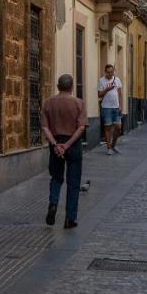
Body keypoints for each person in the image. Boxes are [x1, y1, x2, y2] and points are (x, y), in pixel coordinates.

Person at [41, 74, 85, 229]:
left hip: (55, 144)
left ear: (58, 86)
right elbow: (81, 127)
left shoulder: (48, 103)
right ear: (72, 87)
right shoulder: (78, 103)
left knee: (56, 177)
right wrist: (67, 145)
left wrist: (55, 144)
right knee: (73, 182)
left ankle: (53, 203)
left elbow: (45, 127)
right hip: (72, 144)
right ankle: (70, 219)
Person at [96, 64, 123, 155]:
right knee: (107, 127)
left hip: (116, 107)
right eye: (108, 72)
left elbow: (120, 94)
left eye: (112, 72)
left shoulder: (117, 80)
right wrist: (107, 89)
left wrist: (121, 106)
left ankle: (113, 145)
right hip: (106, 107)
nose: (110, 74)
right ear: (105, 72)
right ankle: (109, 148)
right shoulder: (101, 80)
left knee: (118, 128)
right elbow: (99, 94)